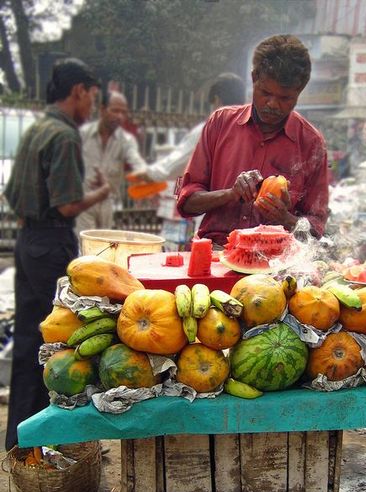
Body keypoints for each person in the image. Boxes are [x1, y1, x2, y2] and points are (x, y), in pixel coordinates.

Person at [3, 58, 110, 451]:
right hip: (51, 243)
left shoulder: (36, 129)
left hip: (28, 240)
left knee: (31, 341)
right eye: (92, 97)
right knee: (62, 343)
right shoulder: (64, 136)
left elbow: (13, 196)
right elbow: (67, 206)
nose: (91, 107)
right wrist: (100, 193)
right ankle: (53, 441)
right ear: (79, 91)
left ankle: (20, 438)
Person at [176, 34, 329, 246]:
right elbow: (187, 203)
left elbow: (316, 232)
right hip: (216, 253)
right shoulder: (220, 123)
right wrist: (230, 194)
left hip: (275, 264)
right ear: (254, 78)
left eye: (284, 98)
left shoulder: (311, 144)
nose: (273, 104)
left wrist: (285, 219)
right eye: (265, 92)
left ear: (299, 91)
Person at [131, 73, 246, 184]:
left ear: (217, 100)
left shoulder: (210, 129)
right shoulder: (250, 131)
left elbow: (177, 162)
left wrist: (148, 173)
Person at [76, 90, 147, 235]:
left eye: (123, 112)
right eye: (115, 111)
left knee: (103, 249)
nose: (120, 116)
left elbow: (136, 161)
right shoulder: (83, 134)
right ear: (102, 109)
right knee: (84, 249)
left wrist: (148, 177)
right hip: (84, 201)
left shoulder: (126, 140)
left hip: (109, 203)